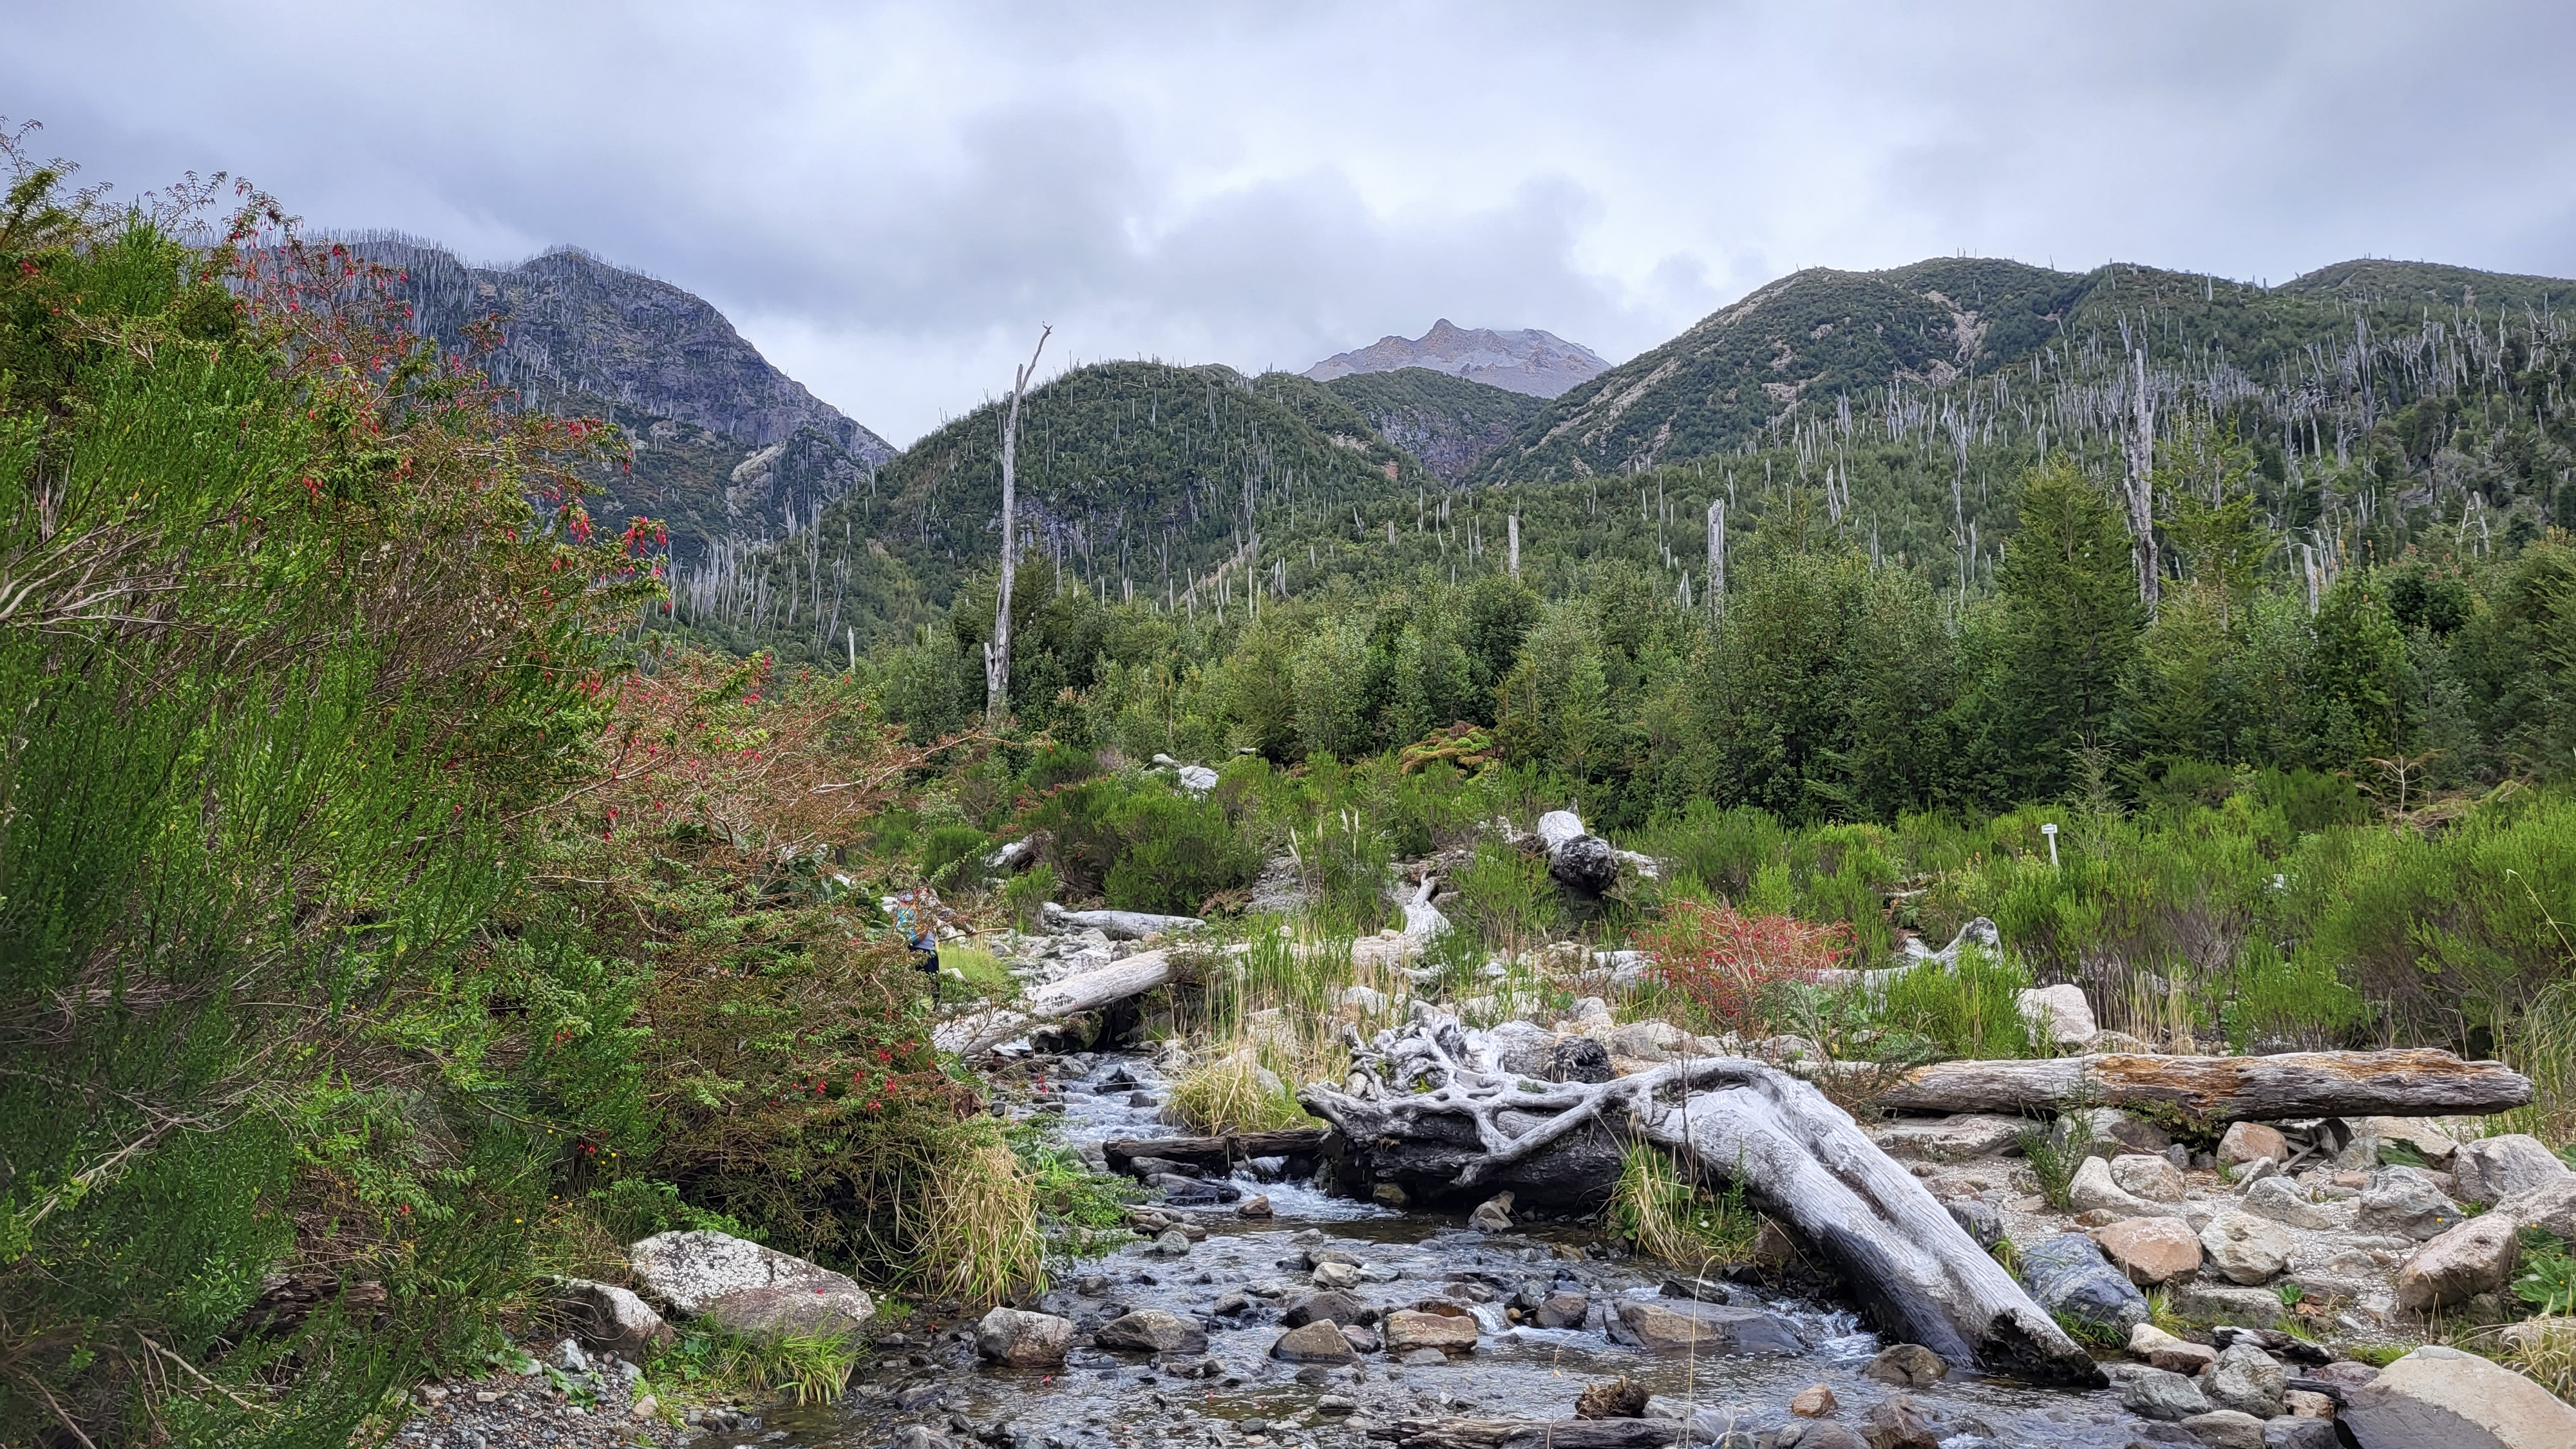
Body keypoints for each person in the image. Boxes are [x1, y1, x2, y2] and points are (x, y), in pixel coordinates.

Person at [888, 884, 972, 999]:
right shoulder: (926, 899)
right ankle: (934, 1013)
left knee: (907, 987)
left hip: (903, 951)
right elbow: (950, 916)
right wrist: (969, 929)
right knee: (932, 988)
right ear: (926, 891)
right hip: (925, 951)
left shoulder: (897, 901)